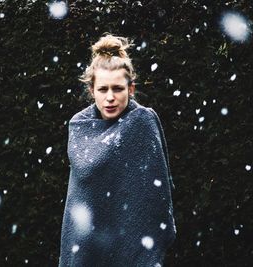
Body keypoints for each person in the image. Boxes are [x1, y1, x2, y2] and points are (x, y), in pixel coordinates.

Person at [58, 33, 176, 267]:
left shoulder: (141, 123)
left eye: (117, 88)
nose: (110, 97)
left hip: (130, 241)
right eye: (103, 89)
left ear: (131, 89)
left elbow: (153, 195)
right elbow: (80, 199)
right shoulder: (80, 127)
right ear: (92, 91)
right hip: (87, 245)